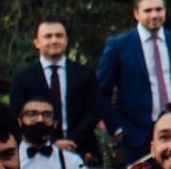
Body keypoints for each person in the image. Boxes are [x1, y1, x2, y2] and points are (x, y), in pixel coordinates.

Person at [97, 0, 171, 159]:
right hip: (136, 135)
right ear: (136, 13)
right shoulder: (119, 46)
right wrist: (116, 127)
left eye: (159, 10)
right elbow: (100, 92)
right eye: (148, 10)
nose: (154, 15)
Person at [8, 18, 102, 156]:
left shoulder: (85, 73)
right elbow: (17, 115)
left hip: (82, 149)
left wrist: (72, 141)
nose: (54, 40)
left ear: (66, 40)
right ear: (36, 42)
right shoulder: (22, 78)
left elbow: (94, 112)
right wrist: (52, 142)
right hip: (39, 151)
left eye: (59, 35)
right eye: (48, 36)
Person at [16, 96, 89, 169]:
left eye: (47, 115)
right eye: (32, 114)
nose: (40, 120)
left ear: (55, 124)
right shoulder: (9, 159)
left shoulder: (71, 161)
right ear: (19, 122)